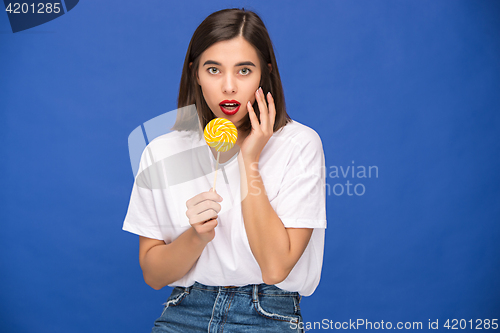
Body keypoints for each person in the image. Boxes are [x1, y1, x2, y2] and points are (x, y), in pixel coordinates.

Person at [123, 8, 327, 332]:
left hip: (268, 316)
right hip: (184, 313)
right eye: (214, 69)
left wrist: (250, 161)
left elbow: (275, 268)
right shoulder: (161, 151)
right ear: (195, 73)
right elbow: (153, 274)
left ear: (265, 73)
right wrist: (196, 237)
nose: (229, 87)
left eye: (244, 70)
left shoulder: (299, 145)